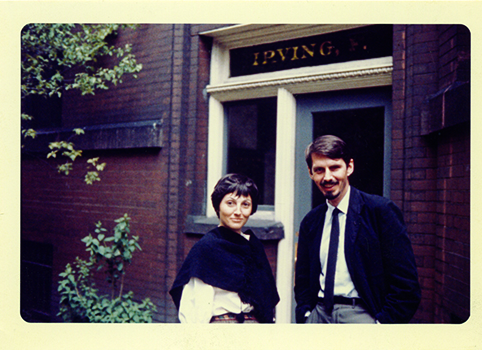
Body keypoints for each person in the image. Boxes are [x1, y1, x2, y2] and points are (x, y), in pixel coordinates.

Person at [294, 135, 421, 324]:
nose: (327, 177)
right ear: (310, 173)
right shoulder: (311, 222)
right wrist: (306, 314)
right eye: (319, 170)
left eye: (335, 167)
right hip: (318, 316)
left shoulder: (380, 212)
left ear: (349, 167)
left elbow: (406, 286)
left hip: (362, 316)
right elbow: (303, 280)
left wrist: (382, 325)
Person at [169, 173, 279, 323]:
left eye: (245, 204)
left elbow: (266, 301)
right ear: (218, 206)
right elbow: (197, 310)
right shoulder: (207, 248)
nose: (238, 212)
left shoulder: (255, 247)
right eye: (230, 203)